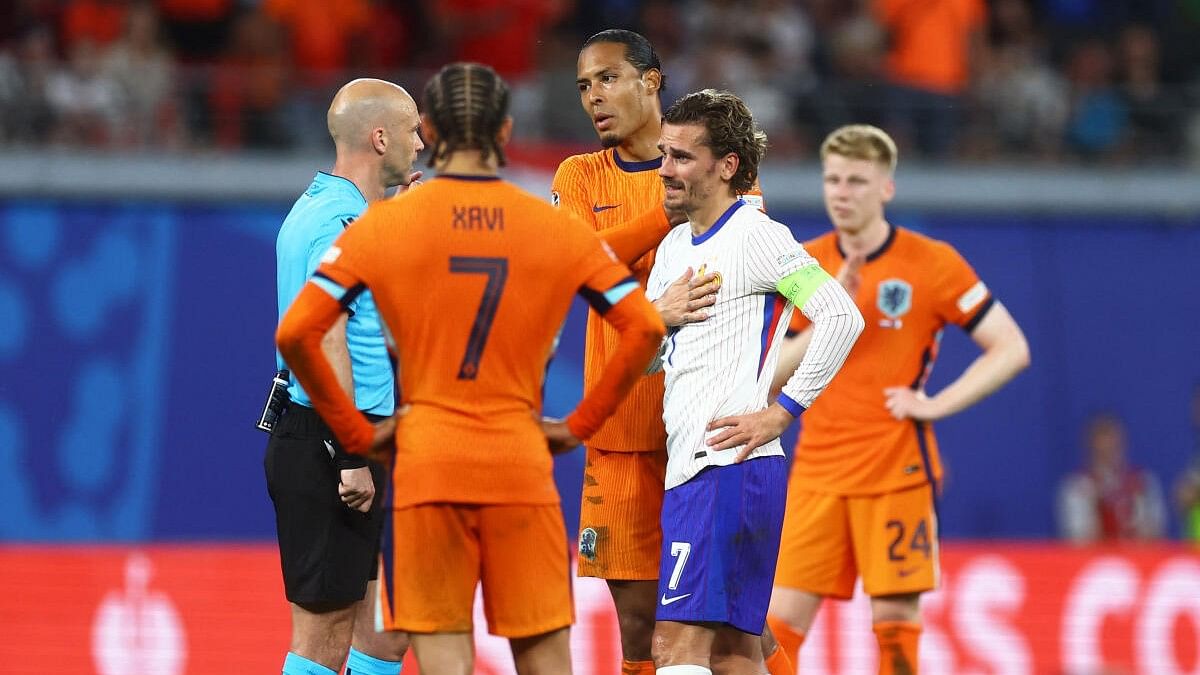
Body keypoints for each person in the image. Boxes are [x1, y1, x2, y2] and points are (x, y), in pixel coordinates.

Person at [275, 62, 667, 675]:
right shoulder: (549, 227)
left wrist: (356, 437)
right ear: (505, 130)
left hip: (430, 464)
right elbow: (643, 325)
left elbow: (299, 332)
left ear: (436, 131)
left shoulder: (382, 227)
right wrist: (578, 425)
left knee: (437, 651)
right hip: (519, 463)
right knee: (541, 652)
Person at [552, 31, 786, 675]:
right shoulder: (578, 176)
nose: (593, 97)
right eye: (582, 86)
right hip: (624, 428)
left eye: (607, 78)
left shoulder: (717, 159)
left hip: (709, 429)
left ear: (652, 81)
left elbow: (748, 265)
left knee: (742, 633)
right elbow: (580, 267)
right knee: (640, 629)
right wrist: (673, 203)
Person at [765, 124, 1031, 674]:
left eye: (857, 181)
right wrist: (836, 310)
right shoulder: (804, 264)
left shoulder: (932, 262)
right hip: (817, 470)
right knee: (774, 630)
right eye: (833, 179)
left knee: (894, 633)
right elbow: (771, 375)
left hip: (896, 469)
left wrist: (936, 404)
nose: (842, 192)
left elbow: (1011, 347)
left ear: (886, 187)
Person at [645, 88, 864, 675]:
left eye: (682, 158)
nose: (665, 169)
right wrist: (655, 317)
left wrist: (782, 411)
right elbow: (649, 361)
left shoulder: (756, 237)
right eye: (664, 154)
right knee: (736, 651)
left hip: (728, 467)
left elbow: (842, 315)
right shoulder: (670, 250)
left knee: (676, 646)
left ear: (727, 166)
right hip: (699, 468)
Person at [265, 78, 421, 675]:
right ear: (380, 137)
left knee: (383, 628)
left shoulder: (335, 209)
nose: (421, 143)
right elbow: (326, 337)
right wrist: (351, 452)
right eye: (412, 130)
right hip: (332, 442)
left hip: (351, 436)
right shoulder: (338, 223)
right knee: (323, 637)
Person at [1058, 413, 1167, 542]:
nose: (1107, 446)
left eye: (1112, 439)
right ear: (1090, 445)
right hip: (1095, 559)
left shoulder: (1143, 480)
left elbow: (1157, 529)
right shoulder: (1077, 485)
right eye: (1101, 440)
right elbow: (1076, 535)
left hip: (1138, 556)